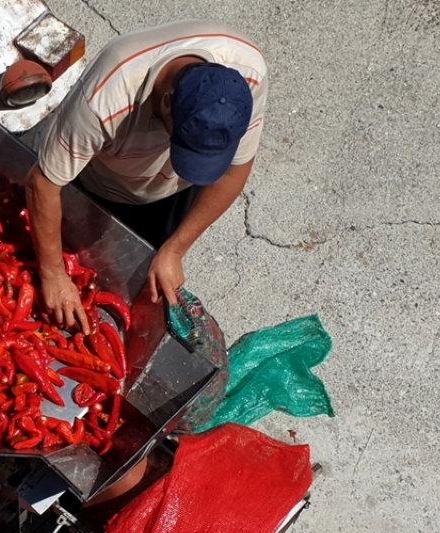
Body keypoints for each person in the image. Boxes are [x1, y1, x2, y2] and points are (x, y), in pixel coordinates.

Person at [26, 20, 268, 334]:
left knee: (139, 270)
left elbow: (234, 171)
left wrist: (175, 249)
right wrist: (54, 275)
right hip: (102, 182)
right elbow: (44, 183)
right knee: (89, 258)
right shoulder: (106, 97)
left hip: (170, 191)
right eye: (181, 142)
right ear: (166, 100)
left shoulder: (247, 76)